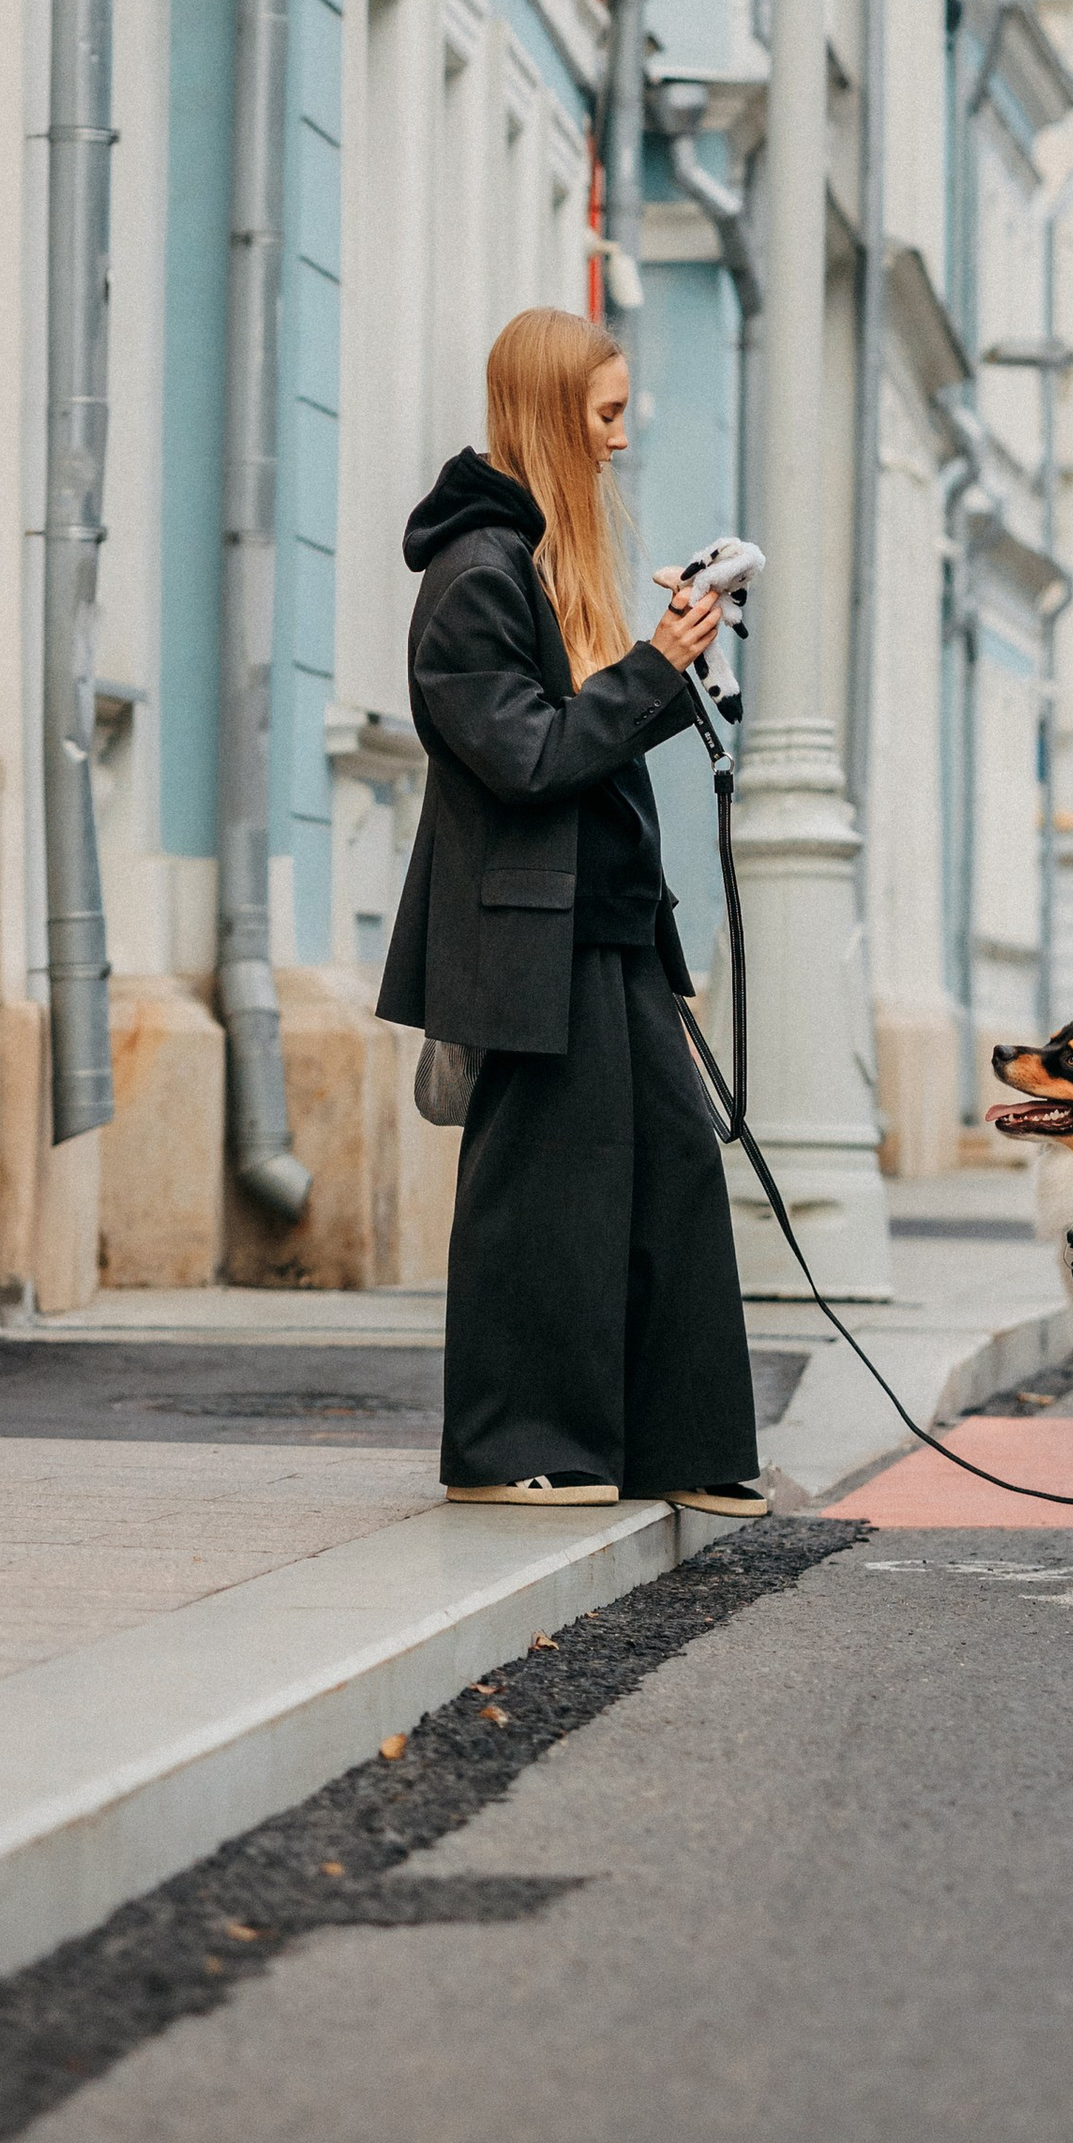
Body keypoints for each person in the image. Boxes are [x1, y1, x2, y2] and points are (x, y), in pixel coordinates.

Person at [377, 305, 766, 1517]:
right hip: (528, 938)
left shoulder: (537, 562)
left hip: (603, 927)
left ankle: (674, 1442)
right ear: (552, 413)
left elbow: (577, 734)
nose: (619, 439)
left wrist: (671, 660)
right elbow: (529, 758)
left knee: (670, 1174)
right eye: (604, 414)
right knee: (544, 1194)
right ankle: (512, 1449)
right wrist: (654, 666)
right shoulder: (473, 577)